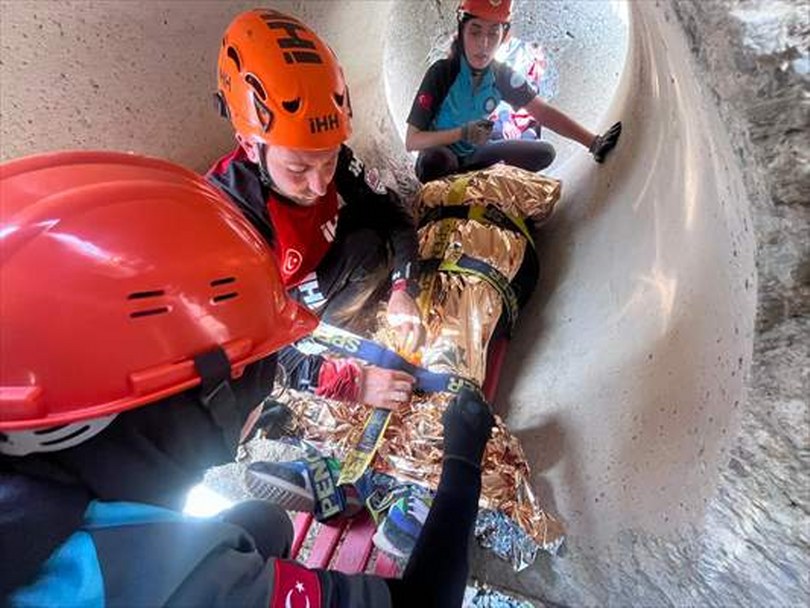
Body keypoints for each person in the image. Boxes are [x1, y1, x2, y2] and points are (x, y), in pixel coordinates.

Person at [0, 150, 496, 607]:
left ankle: (324, 499)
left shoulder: (37, 442)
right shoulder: (159, 580)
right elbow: (428, 600)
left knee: (262, 522)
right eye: (252, 385)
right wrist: (462, 460)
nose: (317, 181)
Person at [207, 9, 421, 412]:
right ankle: (315, 352)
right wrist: (347, 382)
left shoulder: (332, 158)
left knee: (370, 248)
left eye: (328, 162)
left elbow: (394, 216)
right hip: (273, 309)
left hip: (314, 279)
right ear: (251, 146)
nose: (320, 184)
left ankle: (328, 334)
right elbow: (242, 346)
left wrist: (403, 289)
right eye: (298, 169)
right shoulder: (230, 213)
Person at [406, 0, 623, 183]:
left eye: (493, 33)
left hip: (474, 154)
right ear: (462, 31)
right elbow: (412, 141)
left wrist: (593, 143)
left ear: (504, 36)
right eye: (475, 32)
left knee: (544, 153)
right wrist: (462, 133)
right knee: (435, 162)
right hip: (440, 153)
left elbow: (543, 112)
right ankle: (468, 184)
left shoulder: (501, 76)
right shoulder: (442, 73)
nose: (483, 44)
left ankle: (475, 182)